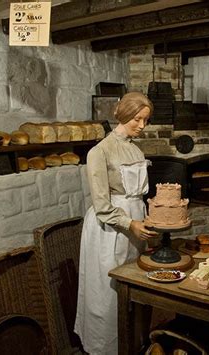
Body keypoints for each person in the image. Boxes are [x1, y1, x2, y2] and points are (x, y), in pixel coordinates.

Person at [74, 92, 157, 355]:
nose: (142, 126)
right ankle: (106, 348)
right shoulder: (99, 152)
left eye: (146, 120)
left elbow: (139, 194)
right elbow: (101, 204)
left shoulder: (135, 148)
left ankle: (133, 343)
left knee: (134, 286)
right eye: (137, 119)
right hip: (110, 229)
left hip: (135, 224)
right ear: (122, 116)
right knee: (108, 293)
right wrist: (129, 223)